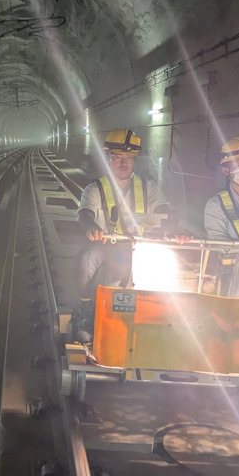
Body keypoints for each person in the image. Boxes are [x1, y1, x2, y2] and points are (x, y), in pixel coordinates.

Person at [74, 128, 170, 340]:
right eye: (118, 157)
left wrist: (172, 223)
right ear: (108, 159)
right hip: (107, 246)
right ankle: (86, 311)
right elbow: (85, 213)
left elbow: (163, 208)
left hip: (142, 248)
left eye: (129, 157)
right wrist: (91, 226)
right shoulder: (95, 188)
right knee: (85, 258)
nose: (124, 163)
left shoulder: (149, 188)